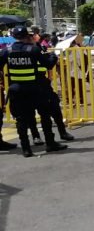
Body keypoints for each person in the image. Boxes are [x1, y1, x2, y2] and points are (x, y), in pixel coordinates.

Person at [0, 26, 67, 157]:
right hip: (35, 89)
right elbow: (48, 64)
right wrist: (53, 56)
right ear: (27, 36)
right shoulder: (34, 49)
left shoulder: (7, 51)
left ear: (14, 36)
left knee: (21, 120)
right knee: (45, 116)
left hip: (17, 90)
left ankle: (26, 149)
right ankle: (50, 143)